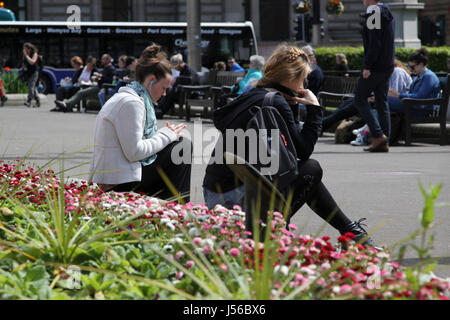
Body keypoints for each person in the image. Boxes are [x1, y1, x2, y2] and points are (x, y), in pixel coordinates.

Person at [203, 44, 377, 247]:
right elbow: (303, 151)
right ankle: (275, 229)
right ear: (291, 78)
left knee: (303, 174)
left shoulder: (254, 94)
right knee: (311, 169)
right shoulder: (276, 102)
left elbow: (287, 152)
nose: (305, 84)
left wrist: (293, 106)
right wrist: (315, 109)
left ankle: (352, 232)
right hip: (237, 203)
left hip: (215, 194)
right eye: (303, 78)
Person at [89, 43, 191, 201]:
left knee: (176, 143)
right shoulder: (132, 103)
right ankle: (178, 209)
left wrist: (166, 135)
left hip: (119, 175)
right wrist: (166, 135)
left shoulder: (130, 98)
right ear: (151, 81)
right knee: (182, 146)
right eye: (163, 88)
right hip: (117, 182)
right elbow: (135, 152)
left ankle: (170, 207)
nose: (164, 94)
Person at [353, 0, 395, 152]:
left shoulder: (373, 11)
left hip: (376, 66)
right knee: (382, 102)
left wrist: (367, 66)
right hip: (387, 64)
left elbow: (374, 42)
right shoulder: (386, 11)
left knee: (359, 98)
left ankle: (378, 136)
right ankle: (384, 140)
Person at [387, 48, 441, 117]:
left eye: (413, 67)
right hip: (416, 107)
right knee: (384, 100)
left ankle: (376, 126)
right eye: (410, 67)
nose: (412, 70)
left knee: (384, 101)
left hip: (424, 110)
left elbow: (419, 97)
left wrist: (399, 95)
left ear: (421, 64)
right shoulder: (418, 76)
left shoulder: (429, 76)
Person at [155, 53, 200, 119]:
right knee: (167, 92)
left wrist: (177, 79)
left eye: (175, 66)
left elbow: (190, 80)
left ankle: (160, 111)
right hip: (183, 92)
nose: (175, 68)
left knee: (170, 95)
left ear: (179, 64)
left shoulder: (188, 70)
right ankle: (159, 109)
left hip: (191, 93)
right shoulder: (183, 70)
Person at [22, 42, 41, 108]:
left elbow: (32, 62)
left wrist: (26, 56)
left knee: (31, 86)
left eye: (25, 49)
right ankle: (38, 101)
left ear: (29, 49)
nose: (24, 50)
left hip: (34, 72)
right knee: (33, 87)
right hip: (29, 73)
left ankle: (29, 101)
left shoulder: (34, 54)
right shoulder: (26, 55)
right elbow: (25, 64)